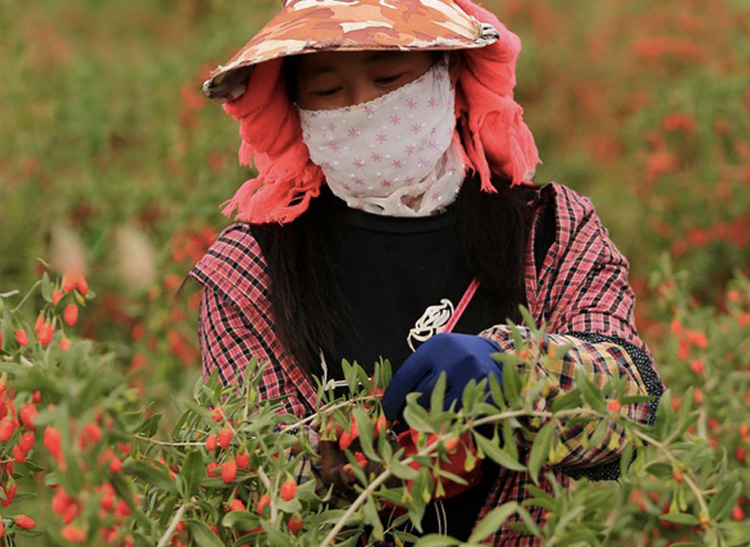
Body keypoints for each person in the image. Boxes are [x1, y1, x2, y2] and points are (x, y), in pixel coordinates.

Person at [190, 0, 664, 544]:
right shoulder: (250, 272)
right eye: (328, 91)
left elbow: (629, 406)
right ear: (295, 106)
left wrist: (512, 371)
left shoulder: (551, 230)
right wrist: (342, 470)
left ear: (449, 72)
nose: (364, 107)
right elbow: (260, 490)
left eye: (389, 77)